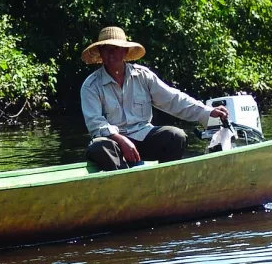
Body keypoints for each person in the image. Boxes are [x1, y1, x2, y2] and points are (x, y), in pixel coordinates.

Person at [79, 26, 229, 171]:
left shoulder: (143, 76)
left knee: (176, 136)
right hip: (114, 144)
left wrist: (208, 111)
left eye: (116, 49)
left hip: (143, 136)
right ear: (100, 53)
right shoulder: (91, 85)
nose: (111, 54)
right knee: (98, 147)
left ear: (124, 52)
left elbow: (173, 99)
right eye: (106, 50)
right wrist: (121, 140)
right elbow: (95, 123)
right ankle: (125, 180)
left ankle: (165, 181)